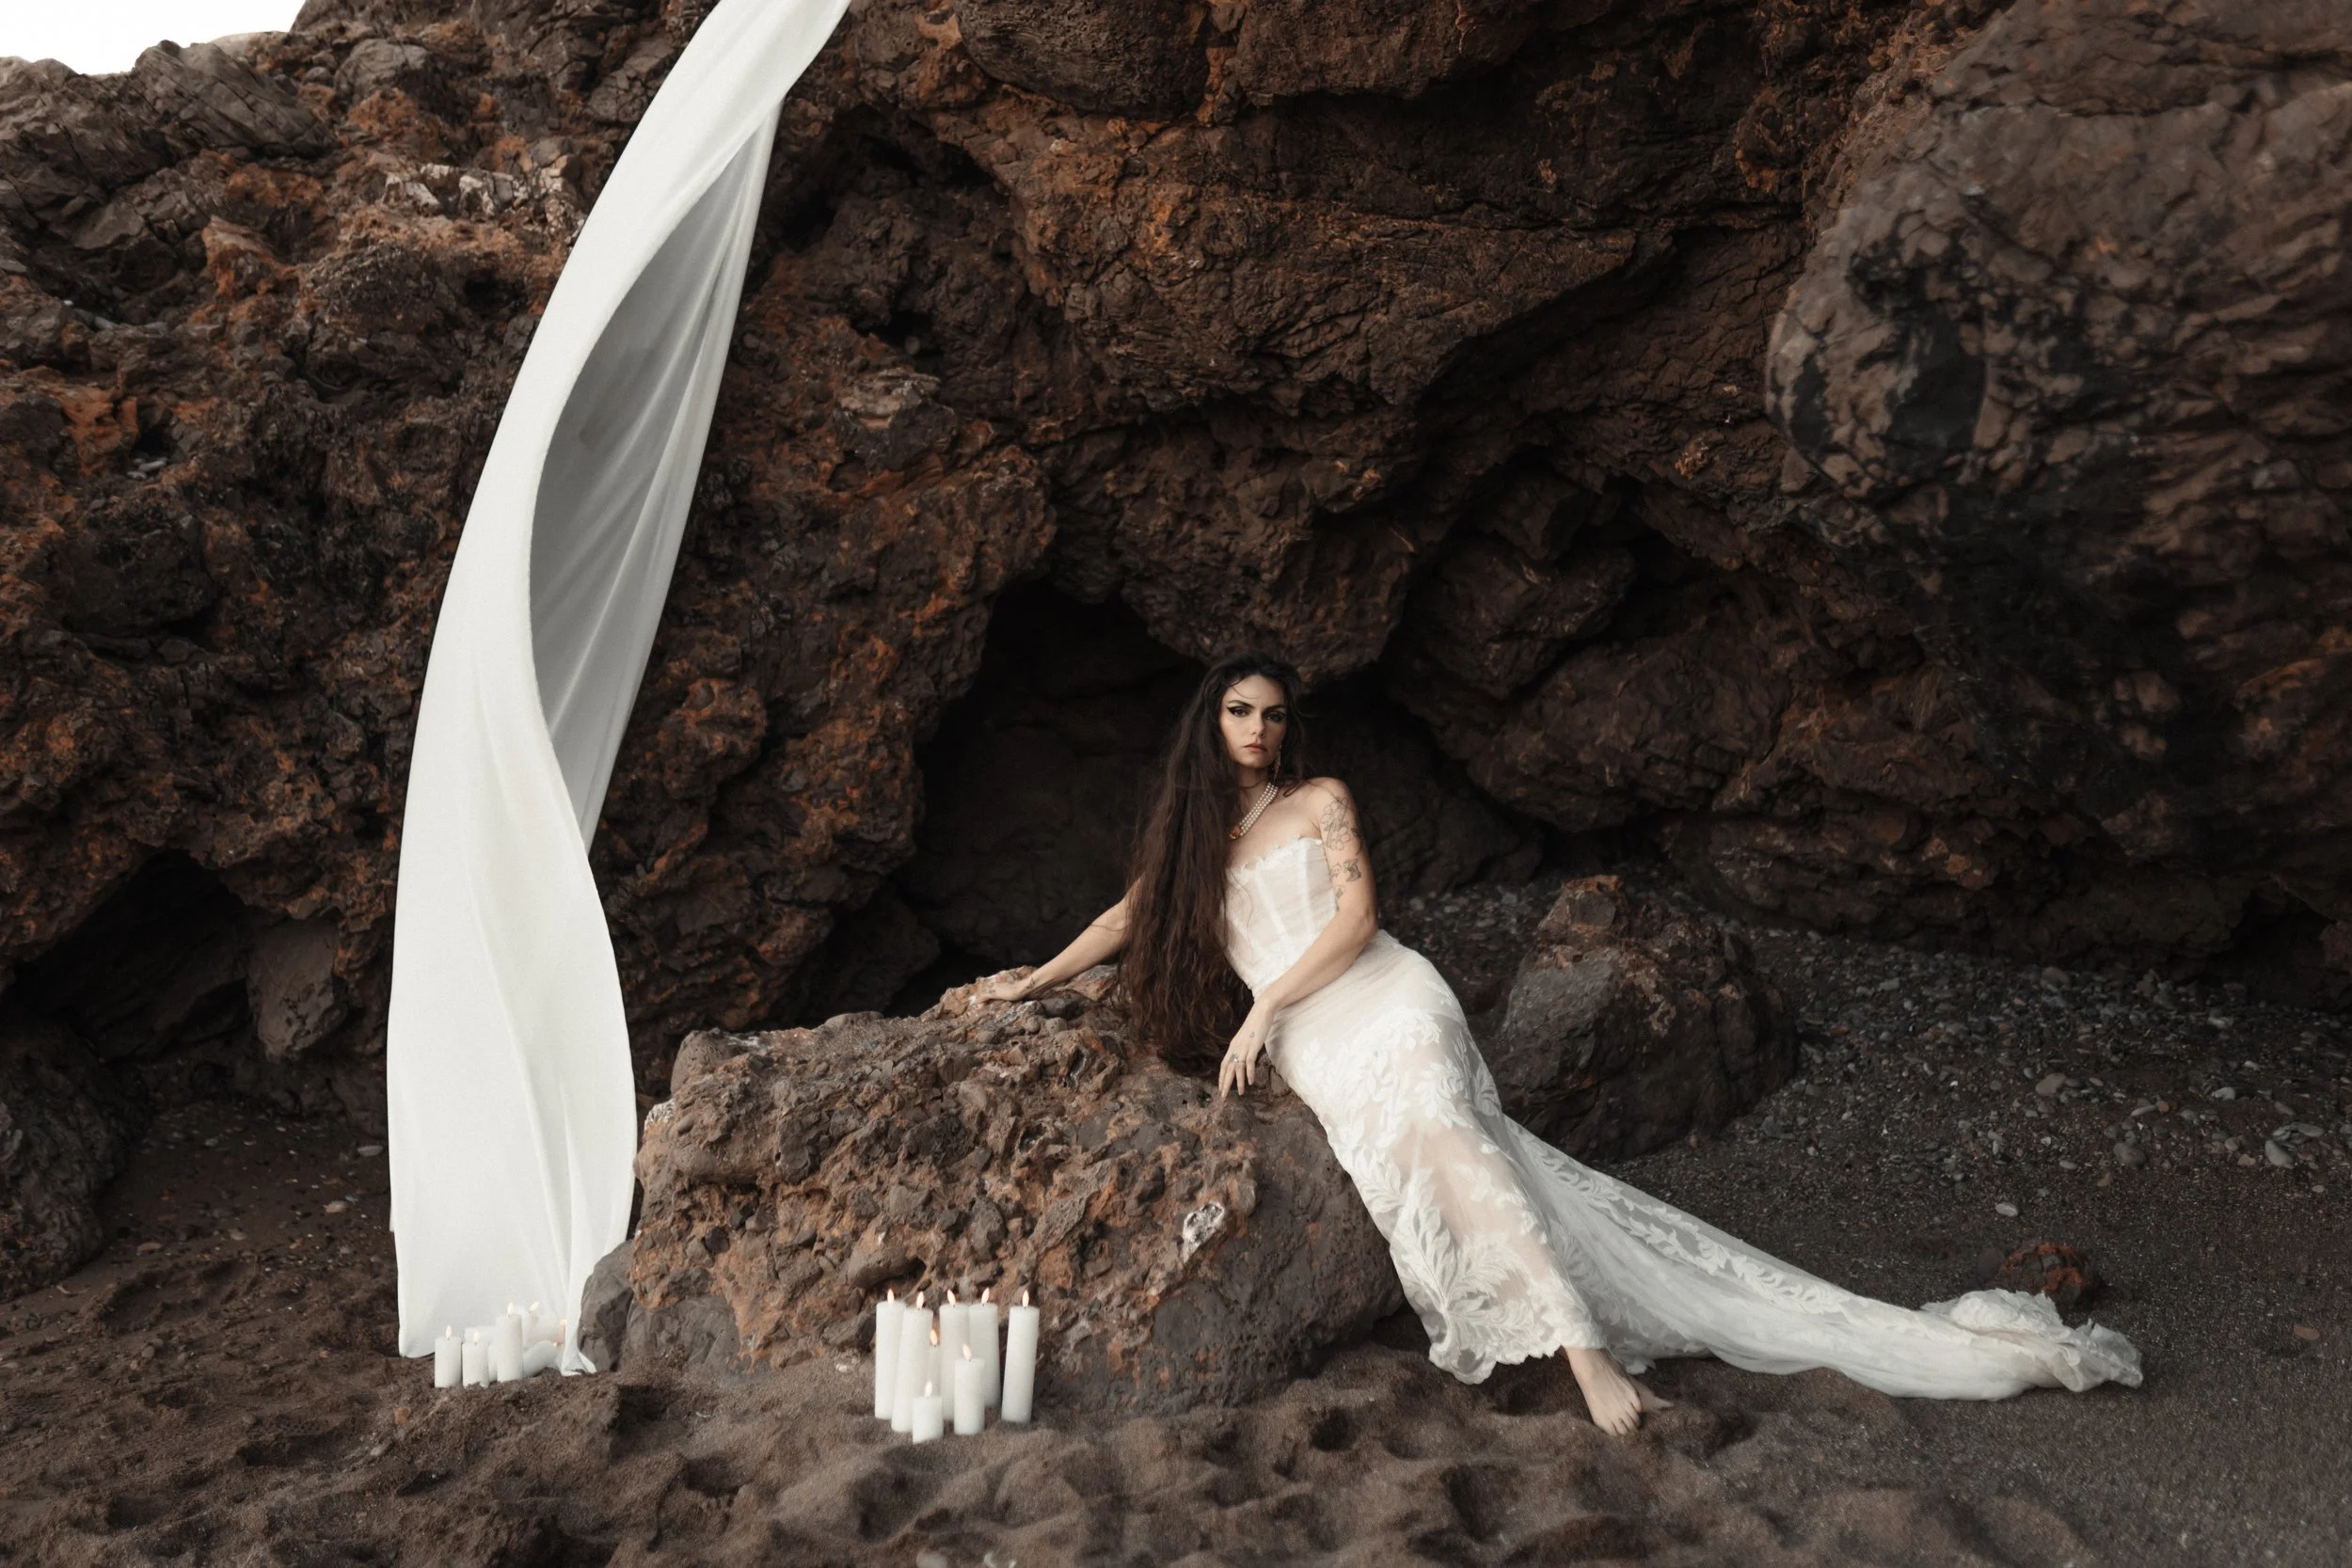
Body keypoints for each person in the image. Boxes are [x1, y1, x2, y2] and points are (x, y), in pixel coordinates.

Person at [968, 653, 2141, 1433]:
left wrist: (1265, 1004)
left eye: (1272, 712)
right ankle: (1577, 1321)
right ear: (1208, 721)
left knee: (1436, 1117)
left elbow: (1358, 921)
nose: (1259, 728)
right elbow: (1126, 919)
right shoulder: (1187, 830)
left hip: (1378, 993)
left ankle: (1584, 1355)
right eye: (1239, 710)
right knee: (1424, 1155)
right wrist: (1032, 979)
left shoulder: (1320, 797)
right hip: (1318, 1037)